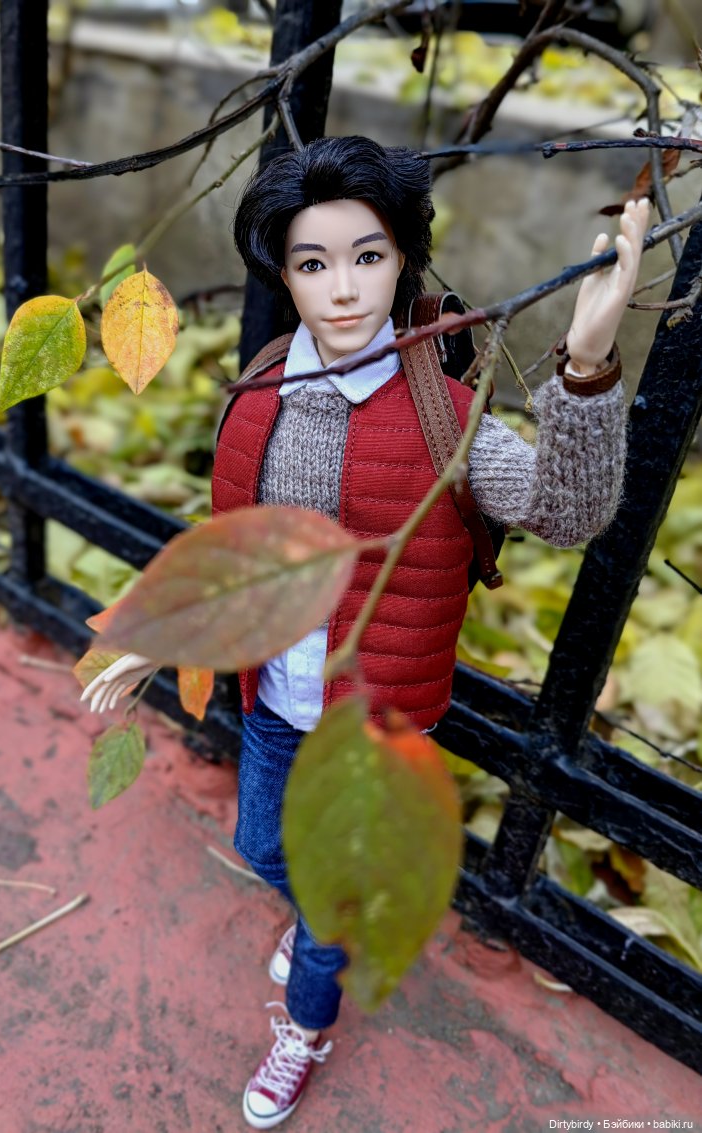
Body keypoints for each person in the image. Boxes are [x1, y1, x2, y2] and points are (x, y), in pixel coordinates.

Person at [83, 136, 649, 1129]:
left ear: (403, 260)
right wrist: (158, 634)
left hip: (378, 719)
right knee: (264, 843)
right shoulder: (264, 386)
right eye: (313, 263)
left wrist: (589, 362)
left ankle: (306, 1022)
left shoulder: (444, 418)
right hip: (275, 696)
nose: (342, 288)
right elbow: (237, 552)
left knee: (327, 897)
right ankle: (320, 915)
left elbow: (566, 511)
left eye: (368, 256)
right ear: (284, 273)